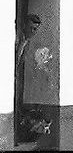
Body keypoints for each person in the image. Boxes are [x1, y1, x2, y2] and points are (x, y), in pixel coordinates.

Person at [14, 14, 41, 143]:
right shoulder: (18, 38)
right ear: (24, 26)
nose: (33, 32)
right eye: (31, 28)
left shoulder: (28, 41)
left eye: (36, 29)